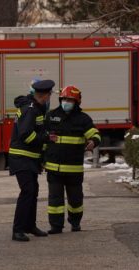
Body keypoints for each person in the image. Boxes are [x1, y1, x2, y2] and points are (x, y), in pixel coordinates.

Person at [44, 85, 101, 234]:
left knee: (75, 200)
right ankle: (56, 226)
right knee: (55, 201)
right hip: (54, 168)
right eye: (64, 99)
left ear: (77, 102)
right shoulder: (51, 116)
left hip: (73, 169)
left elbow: (95, 134)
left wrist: (93, 142)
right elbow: (43, 139)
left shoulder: (83, 119)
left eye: (70, 99)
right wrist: (40, 160)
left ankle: (75, 222)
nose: (66, 102)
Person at [9, 79, 56, 242]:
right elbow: (26, 135)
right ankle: (18, 230)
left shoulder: (37, 108)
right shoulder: (30, 110)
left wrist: (40, 158)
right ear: (44, 95)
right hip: (21, 158)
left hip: (29, 159)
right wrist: (47, 138)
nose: (50, 98)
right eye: (49, 95)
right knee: (27, 191)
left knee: (33, 191)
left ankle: (30, 225)